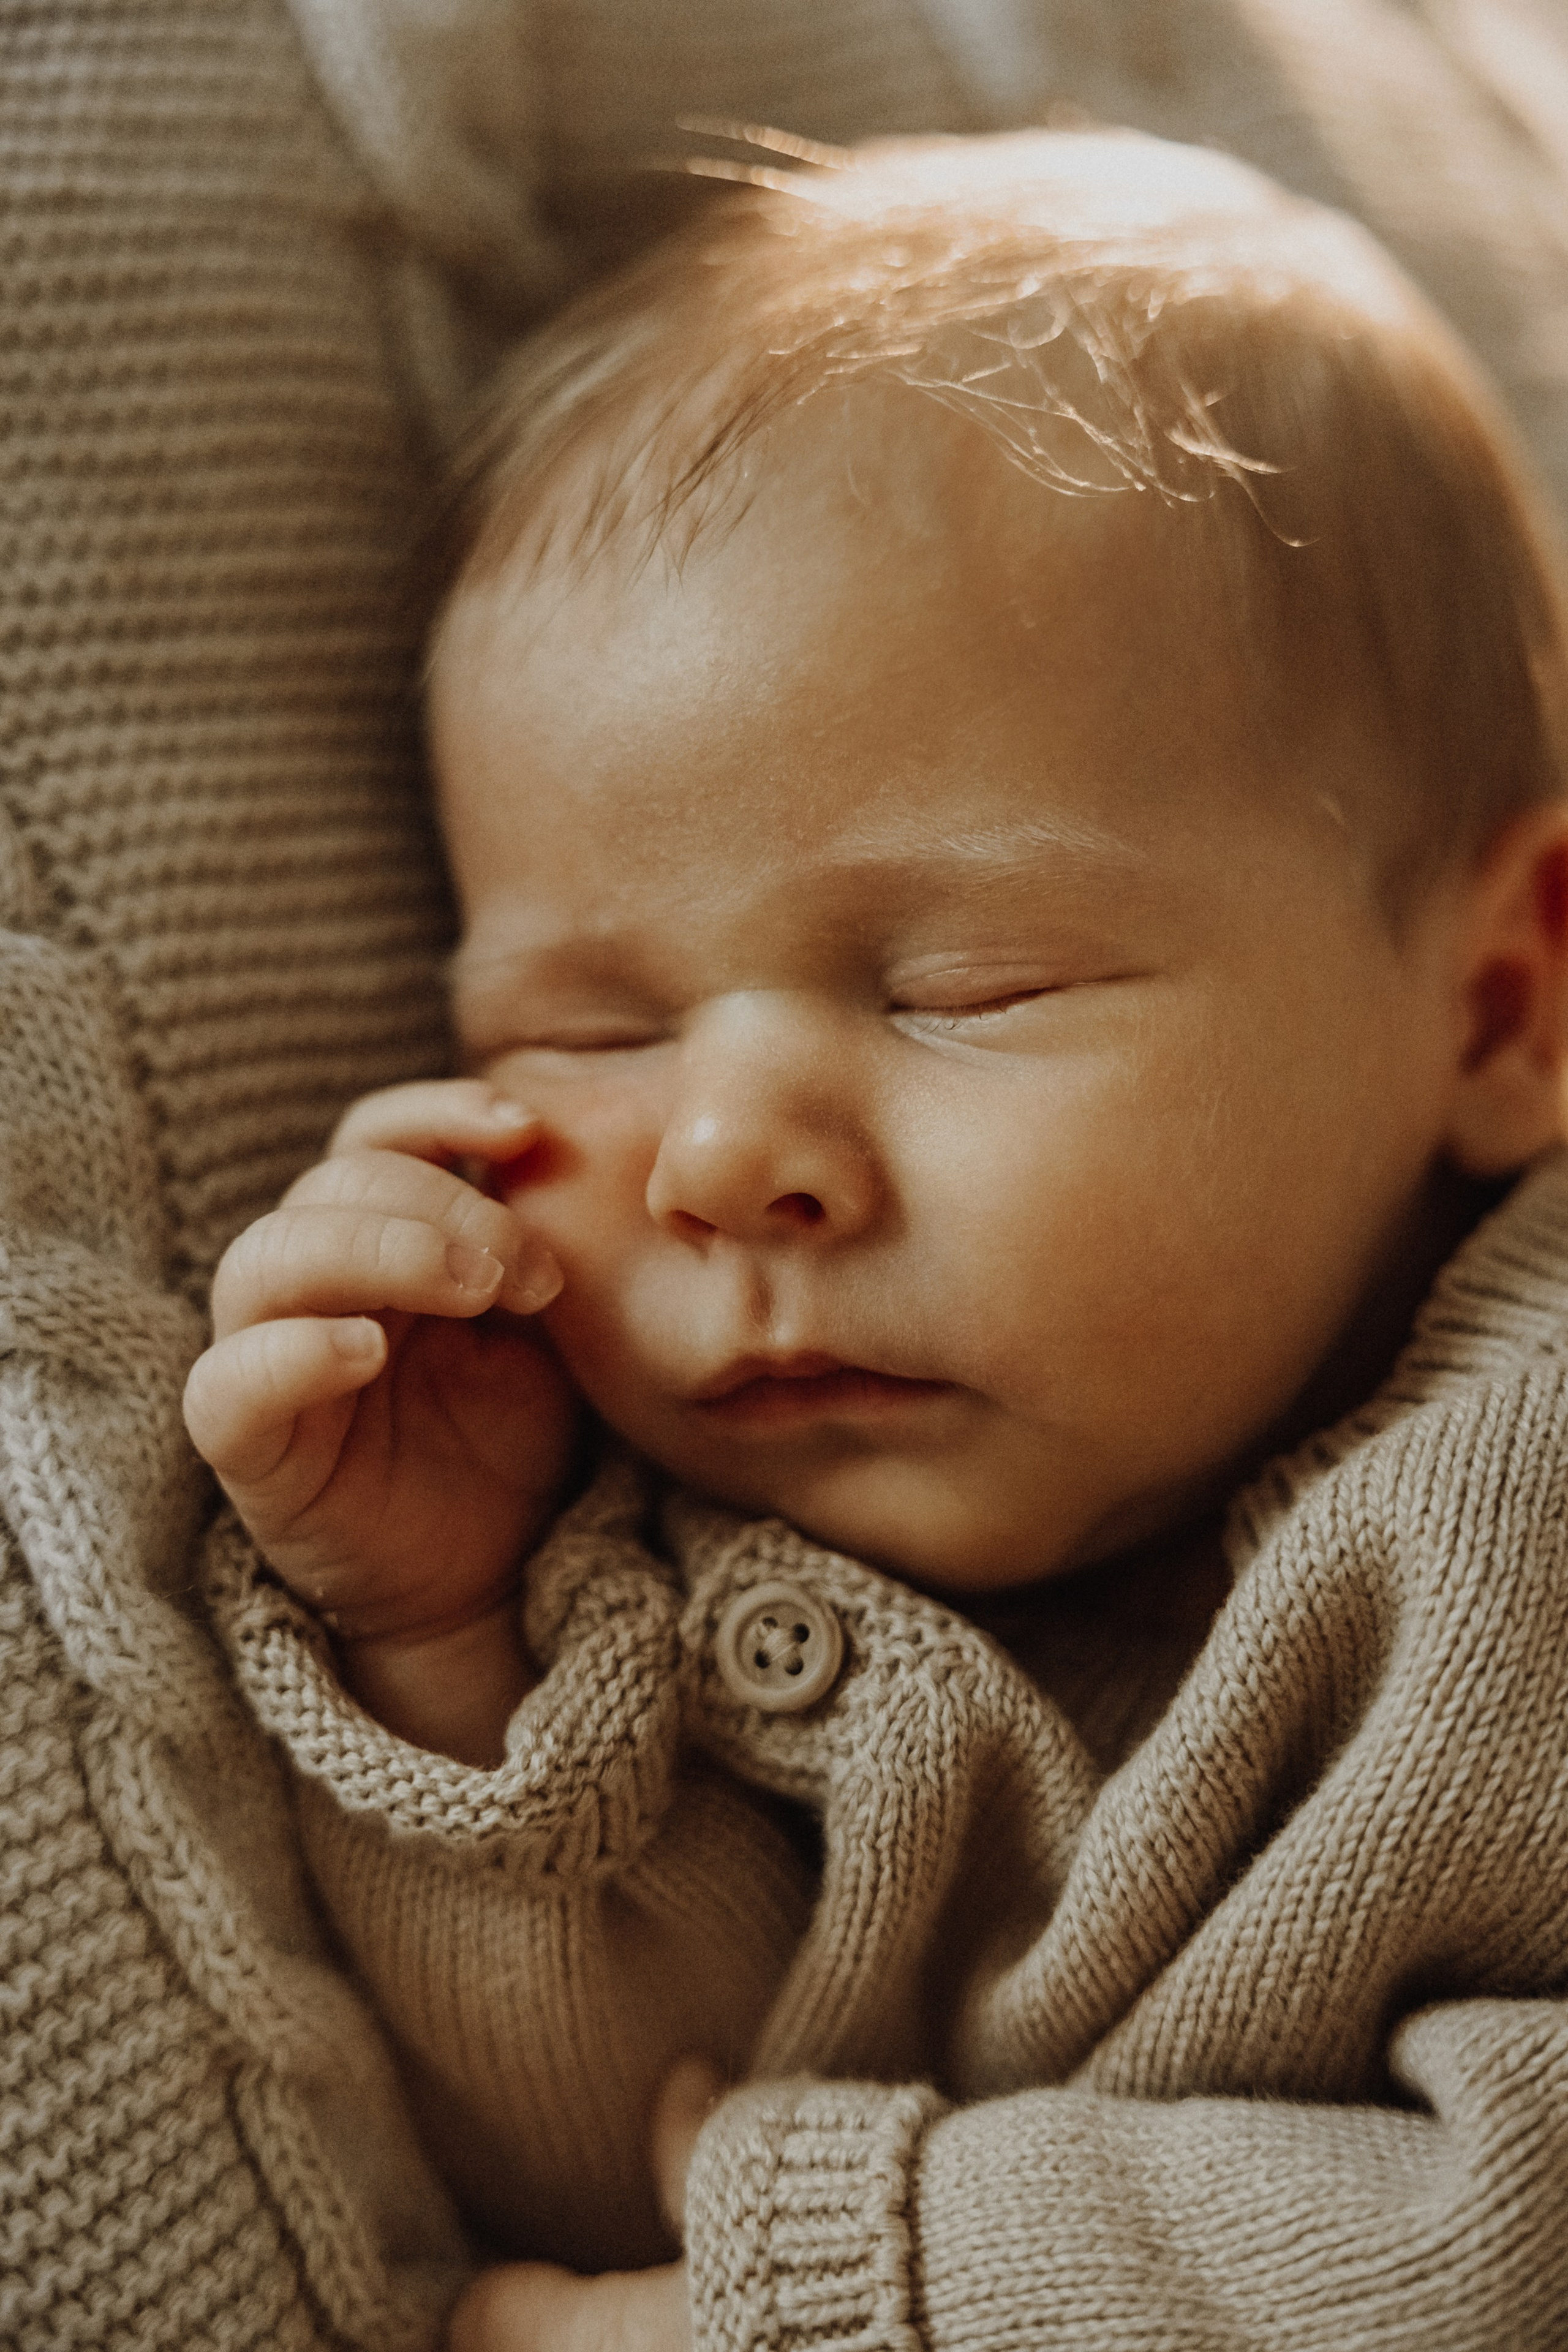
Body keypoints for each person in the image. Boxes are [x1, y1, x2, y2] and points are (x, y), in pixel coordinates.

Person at [183, 127, 1568, 2350]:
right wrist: (446, 1656)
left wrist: (883, 2289)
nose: (723, 1156)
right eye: (591, 1024)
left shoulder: (1530, 1498)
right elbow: (623, 2151)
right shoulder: (689, 1553)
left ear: (1501, 1003)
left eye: (963, 990)